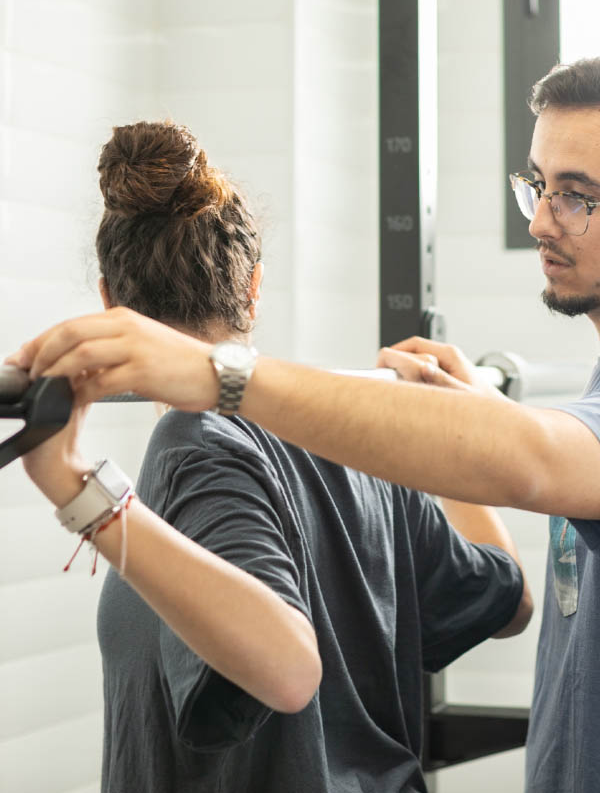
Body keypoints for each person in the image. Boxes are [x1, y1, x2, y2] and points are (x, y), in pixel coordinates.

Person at [8, 121, 531, 793]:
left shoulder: (195, 442)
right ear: (253, 288)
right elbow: (508, 599)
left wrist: (77, 489)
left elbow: (287, 671)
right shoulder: (362, 437)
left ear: (111, 302)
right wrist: (449, 431)